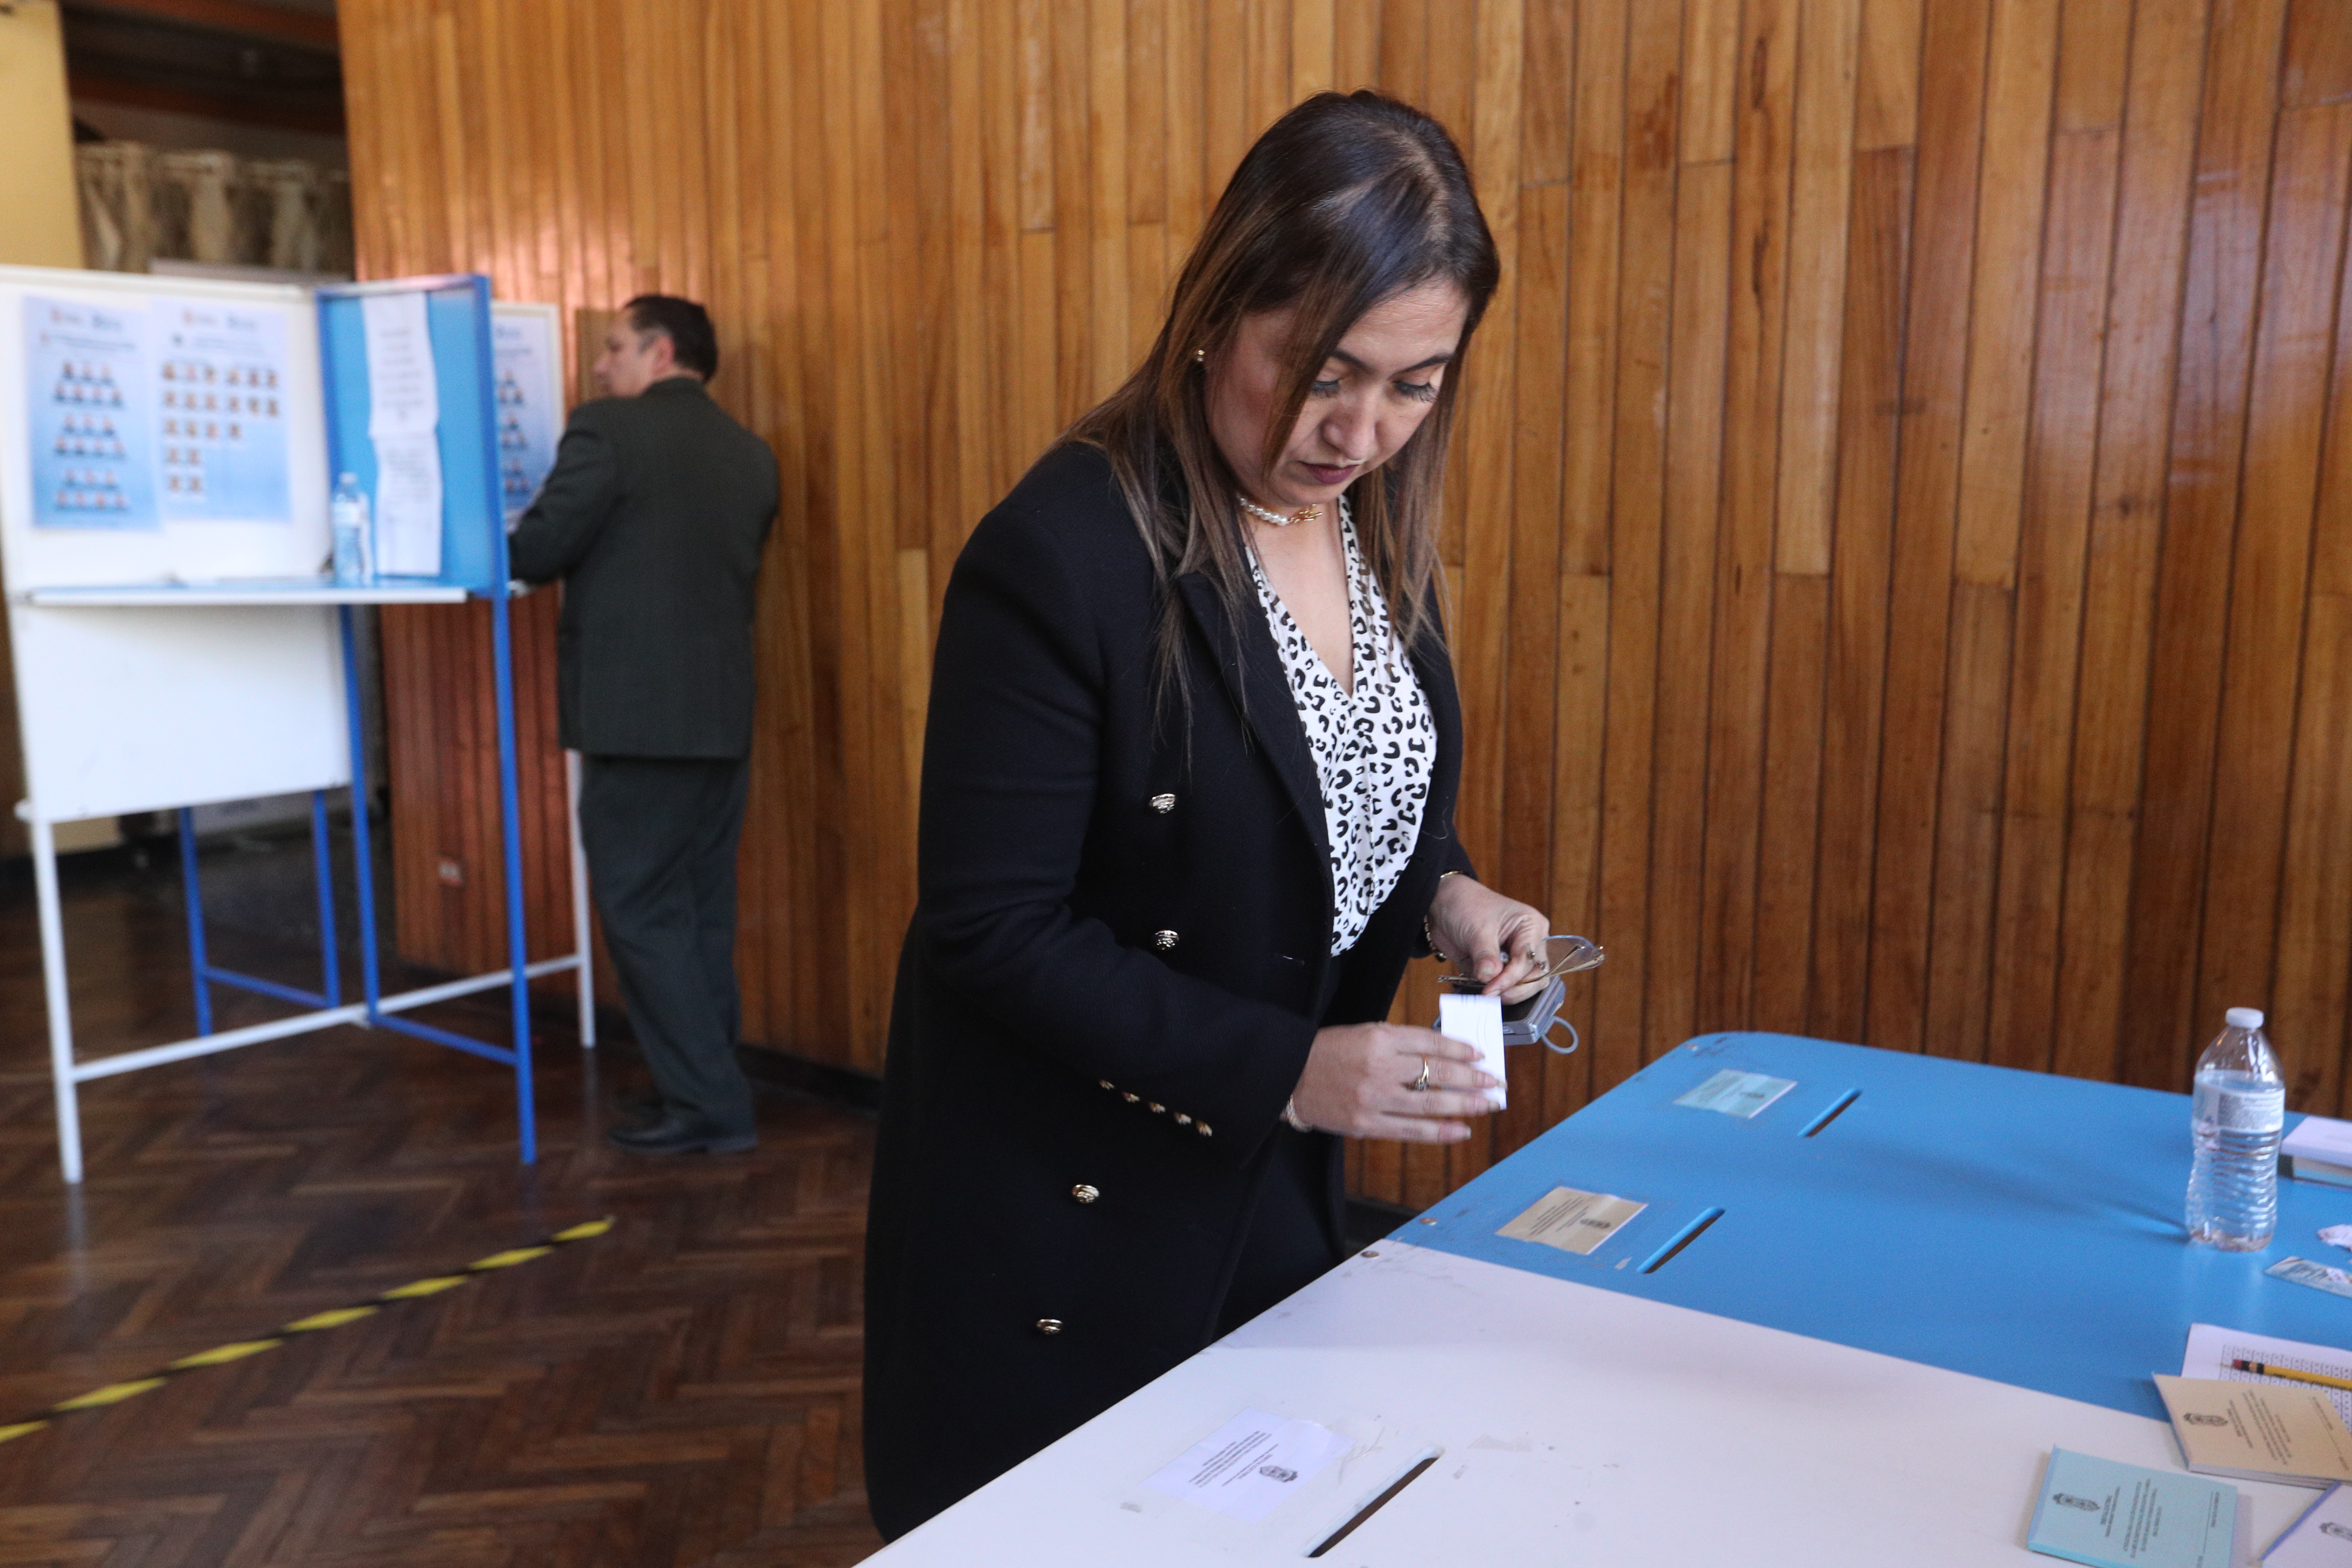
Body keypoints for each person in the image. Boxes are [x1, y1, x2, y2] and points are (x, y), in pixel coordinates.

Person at [862, 91, 1557, 1538]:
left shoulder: (1369, 528)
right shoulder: (1062, 551)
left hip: (1264, 1193)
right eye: (1321, 369)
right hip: (1074, 1216)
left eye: (1418, 382)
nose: (1361, 428)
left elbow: (1346, 797)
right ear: (1217, 309)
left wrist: (1448, 895)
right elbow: (990, 930)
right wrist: (1293, 1066)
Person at [508, 295, 780, 1156]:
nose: (599, 366)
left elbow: (538, 548)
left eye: (613, 347)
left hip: (636, 721)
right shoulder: (751, 455)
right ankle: (707, 1086)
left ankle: (708, 1107)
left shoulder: (608, 433)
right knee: (698, 911)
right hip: (719, 719)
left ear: (660, 354)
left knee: (640, 909)